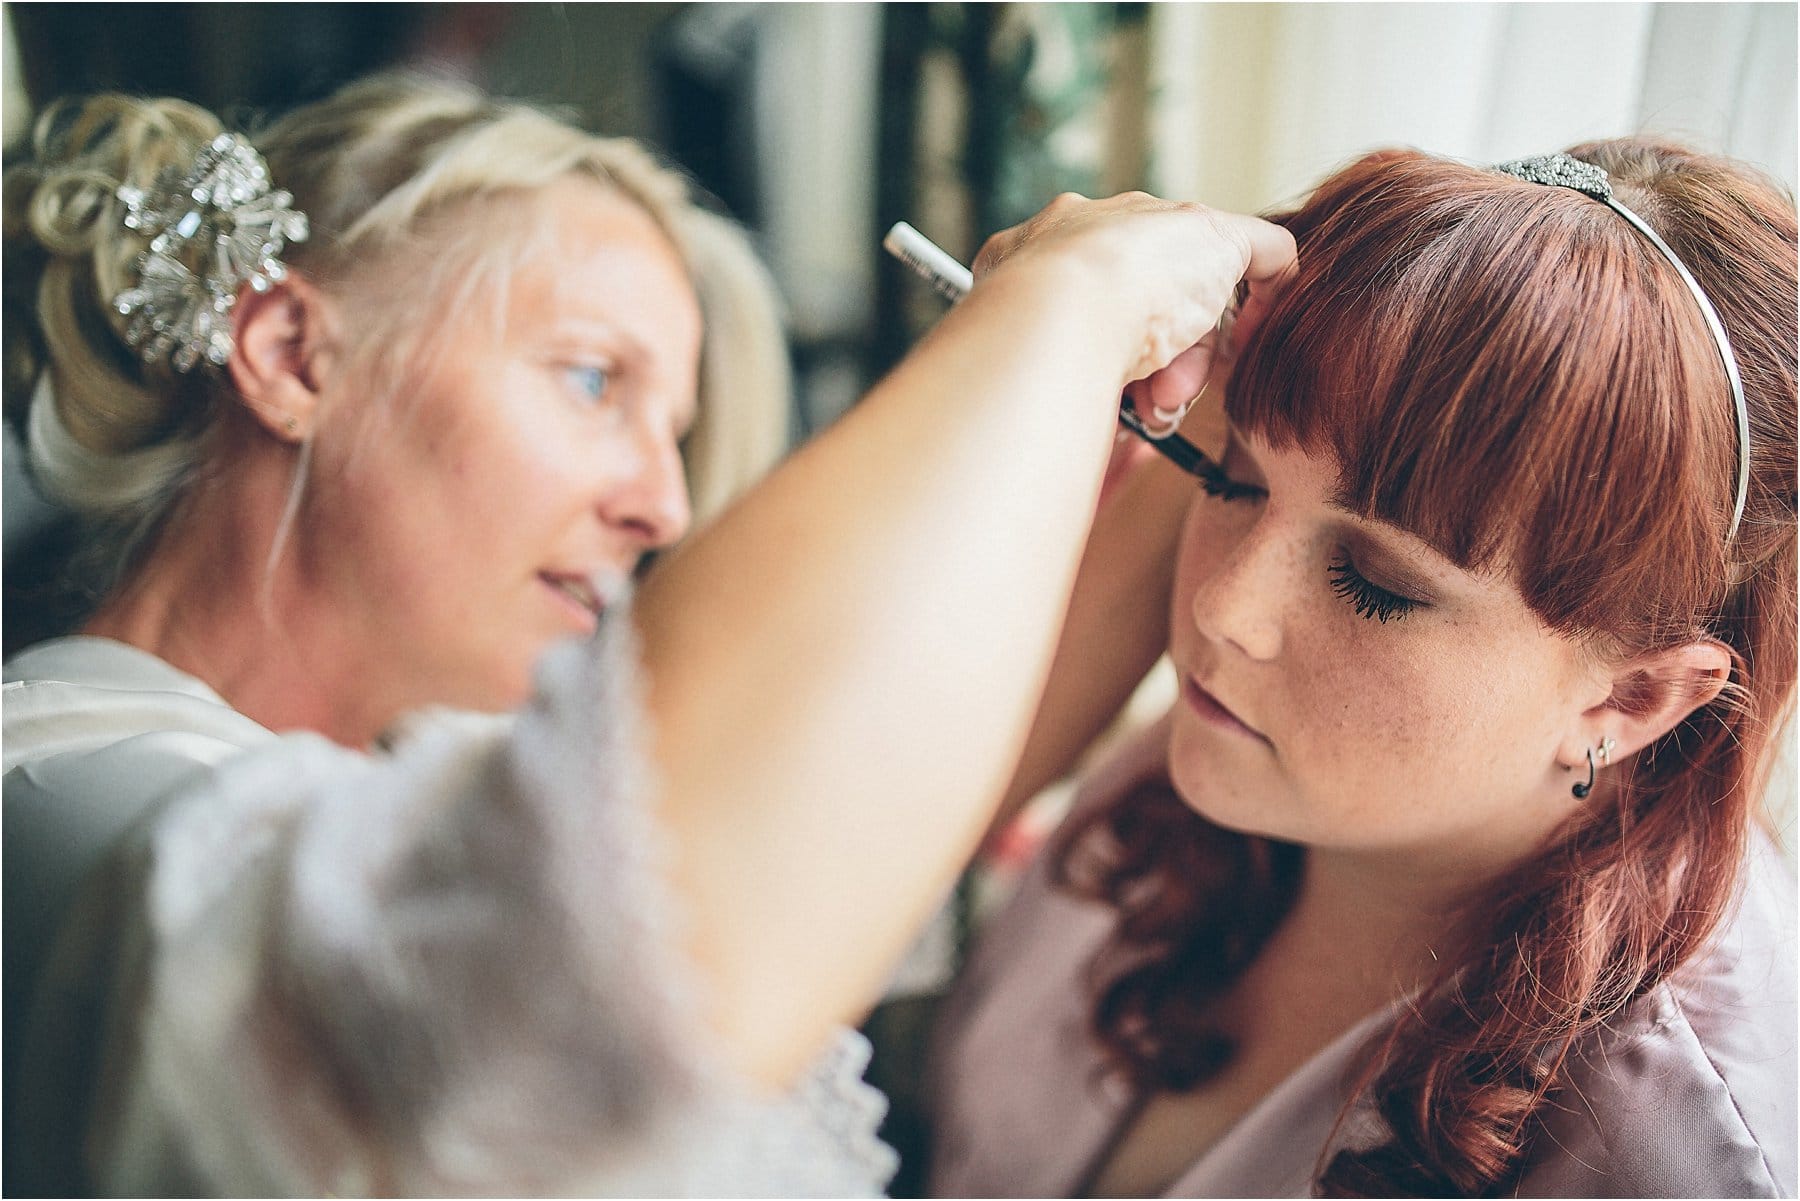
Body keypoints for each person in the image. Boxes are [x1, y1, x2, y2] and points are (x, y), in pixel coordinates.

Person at [1, 73, 1297, 1195]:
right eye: (590, 378)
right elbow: (584, 979)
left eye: (671, 433)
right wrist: (1064, 306)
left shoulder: (414, 763)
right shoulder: (59, 798)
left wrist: (1170, 446)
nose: (662, 503)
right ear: (289, 352)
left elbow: (823, 836)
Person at [923, 139, 1797, 1197]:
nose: (1220, 608)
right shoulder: (1210, 762)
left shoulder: (1687, 1150)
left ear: (1631, 696)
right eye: (1232, 477)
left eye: (1377, 581)